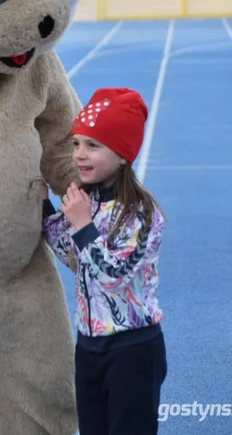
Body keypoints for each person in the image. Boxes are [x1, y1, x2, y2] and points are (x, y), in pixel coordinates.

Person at [42, 87, 167, 435]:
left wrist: (82, 224)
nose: (79, 154)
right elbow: (73, 256)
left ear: (123, 154)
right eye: (76, 143)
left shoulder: (141, 214)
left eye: (93, 145)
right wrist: (44, 207)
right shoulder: (89, 202)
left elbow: (113, 276)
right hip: (89, 346)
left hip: (132, 349)